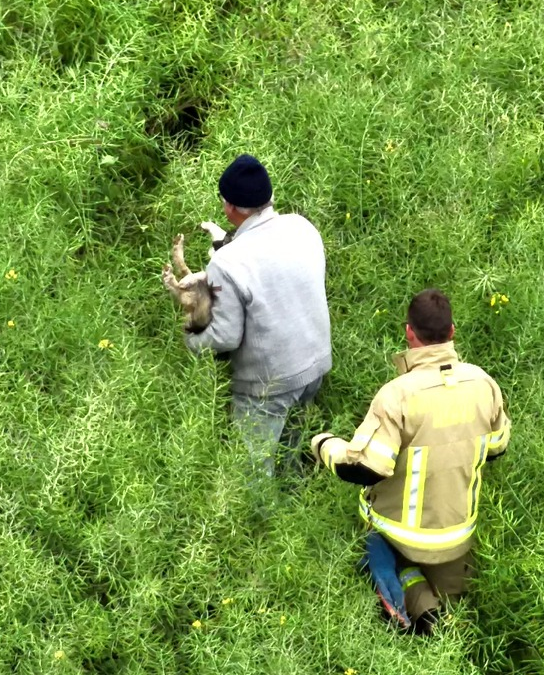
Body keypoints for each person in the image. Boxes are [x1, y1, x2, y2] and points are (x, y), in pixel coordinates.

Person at [310, 289, 510, 634]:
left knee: (377, 545)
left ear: (408, 332)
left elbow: (364, 469)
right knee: (456, 611)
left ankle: (414, 602)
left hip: (401, 533)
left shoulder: (398, 394)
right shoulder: (483, 384)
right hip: (460, 534)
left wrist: (323, 444)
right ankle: (441, 619)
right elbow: (497, 448)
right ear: (452, 332)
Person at [185, 153, 332, 487]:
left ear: (231, 208)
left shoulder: (228, 262)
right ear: (269, 198)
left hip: (269, 384)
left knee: (253, 472)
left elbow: (224, 337)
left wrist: (190, 337)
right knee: (291, 454)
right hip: (314, 365)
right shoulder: (302, 226)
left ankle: (261, 529)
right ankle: (294, 513)